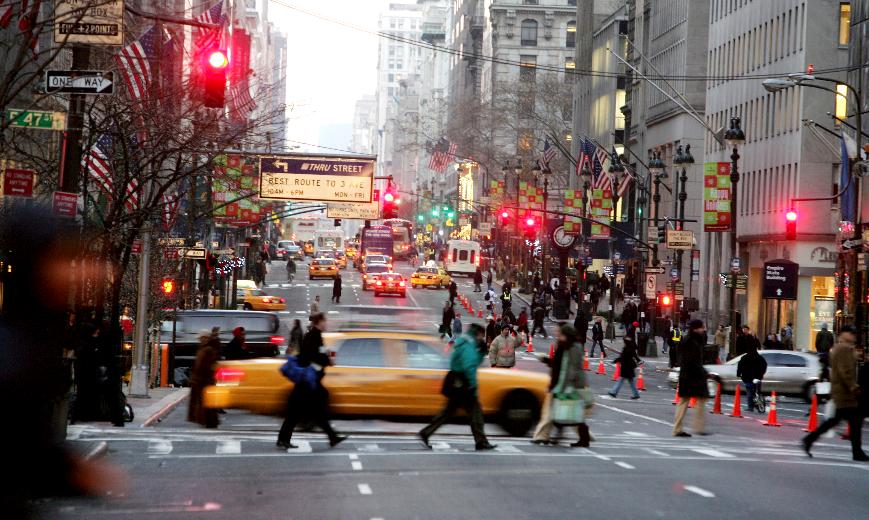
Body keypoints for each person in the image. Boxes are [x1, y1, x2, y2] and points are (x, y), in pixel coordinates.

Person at [419, 324, 496, 451]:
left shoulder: (463, 341)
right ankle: (481, 441)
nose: (481, 339)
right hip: (464, 382)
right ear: (477, 333)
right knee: (476, 412)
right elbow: (470, 365)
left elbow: (467, 361)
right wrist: (473, 385)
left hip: (455, 380)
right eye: (481, 336)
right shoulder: (469, 345)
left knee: (448, 412)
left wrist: (481, 353)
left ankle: (426, 432)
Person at [277, 313, 347, 449]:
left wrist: (325, 359)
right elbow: (311, 356)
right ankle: (283, 439)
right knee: (298, 411)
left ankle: (332, 437)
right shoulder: (313, 336)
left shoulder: (315, 336)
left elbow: (314, 354)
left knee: (311, 410)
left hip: (310, 380)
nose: (326, 324)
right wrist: (327, 361)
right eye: (325, 321)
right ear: (319, 322)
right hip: (307, 381)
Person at [802, 326, 866, 461]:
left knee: (838, 420)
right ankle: (857, 452)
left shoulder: (841, 348)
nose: (854, 335)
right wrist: (854, 387)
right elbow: (845, 371)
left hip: (841, 390)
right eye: (852, 333)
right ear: (844, 334)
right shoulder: (843, 349)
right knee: (854, 420)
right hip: (845, 392)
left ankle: (809, 440)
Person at [531, 324, 591, 447]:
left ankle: (584, 438)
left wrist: (566, 385)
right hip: (566, 383)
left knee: (574, 411)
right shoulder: (567, 346)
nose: (559, 336)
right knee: (568, 410)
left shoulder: (574, 347)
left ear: (567, 335)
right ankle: (577, 437)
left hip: (573, 384)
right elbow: (563, 366)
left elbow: (573, 369)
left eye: (562, 334)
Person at [673, 320, 709, 437]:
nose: (704, 329)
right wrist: (704, 373)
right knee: (700, 399)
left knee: (686, 401)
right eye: (702, 328)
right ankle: (697, 427)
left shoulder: (691, 340)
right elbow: (692, 361)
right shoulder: (691, 342)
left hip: (688, 375)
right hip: (692, 376)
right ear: (696, 329)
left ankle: (680, 428)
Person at [188, 330, 221, 428]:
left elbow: (208, 365)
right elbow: (197, 365)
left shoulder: (209, 350)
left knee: (207, 402)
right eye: (201, 338)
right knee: (202, 402)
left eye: (204, 338)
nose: (202, 340)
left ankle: (211, 421)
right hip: (201, 380)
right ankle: (207, 421)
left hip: (206, 380)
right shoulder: (202, 349)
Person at [737, 342, 768, 412]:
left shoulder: (744, 358)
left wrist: (738, 374)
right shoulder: (760, 358)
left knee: (749, 392)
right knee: (758, 391)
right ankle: (760, 401)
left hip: (747, 378)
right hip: (758, 377)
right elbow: (764, 365)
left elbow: (740, 367)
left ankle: (750, 407)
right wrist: (761, 374)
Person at [609, 334, 642, 400]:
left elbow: (622, 357)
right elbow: (635, 356)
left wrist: (615, 361)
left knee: (621, 380)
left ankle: (614, 392)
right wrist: (639, 361)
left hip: (626, 367)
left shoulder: (626, 348)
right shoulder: (631, 348)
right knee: (630, 381)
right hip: (630, 367)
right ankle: (636, 394)